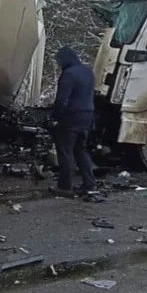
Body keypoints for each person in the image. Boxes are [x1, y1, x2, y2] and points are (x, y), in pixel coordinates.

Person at [49, 46, 97, 197]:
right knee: (81, 150)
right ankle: (90, 185)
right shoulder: (88, 72)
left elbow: (61, 100)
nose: (59, 65)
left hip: (71, 117)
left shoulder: (68, 74)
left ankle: (65, 187)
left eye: (60, 62)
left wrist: (56, 117)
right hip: (88, 115)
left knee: (65, 151)